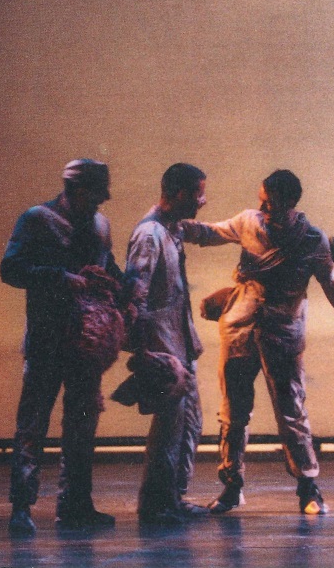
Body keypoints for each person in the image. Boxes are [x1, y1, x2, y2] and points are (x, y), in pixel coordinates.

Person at [182, 169, 334, 515]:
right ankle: (231, 485)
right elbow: (211, 232)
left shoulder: (312, 240)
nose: (262, 207)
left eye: (269, 202)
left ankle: (308, 487)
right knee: (233, 410)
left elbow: (331, 284)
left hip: (283, 332)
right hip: (239, 328)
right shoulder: (249, 222)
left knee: (291, 411)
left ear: (289, 202)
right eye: (261, 200)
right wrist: (173, 223)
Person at [1, 159, 125, 535]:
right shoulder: (37, 219)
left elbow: (108, 265)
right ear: (79, 190)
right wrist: (59, 278)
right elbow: (11, 268)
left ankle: (76, 505)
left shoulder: (99, 225)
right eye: (96, 195)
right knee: (33, 424)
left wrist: (124, 288)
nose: (101, 203)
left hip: (86, 345)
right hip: (47, 342)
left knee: (82, 426)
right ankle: (22, 506)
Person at [122, 163, 210, 526]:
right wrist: (144, 351)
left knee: (188, 422)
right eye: (198, 194)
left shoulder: (172, 230)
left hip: (178, 339)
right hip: (162, 343)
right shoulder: (150, 234)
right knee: (169, 426)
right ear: (180, 193)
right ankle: (156, 504)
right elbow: (136, 294)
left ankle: (171, 497)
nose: (203, 201)